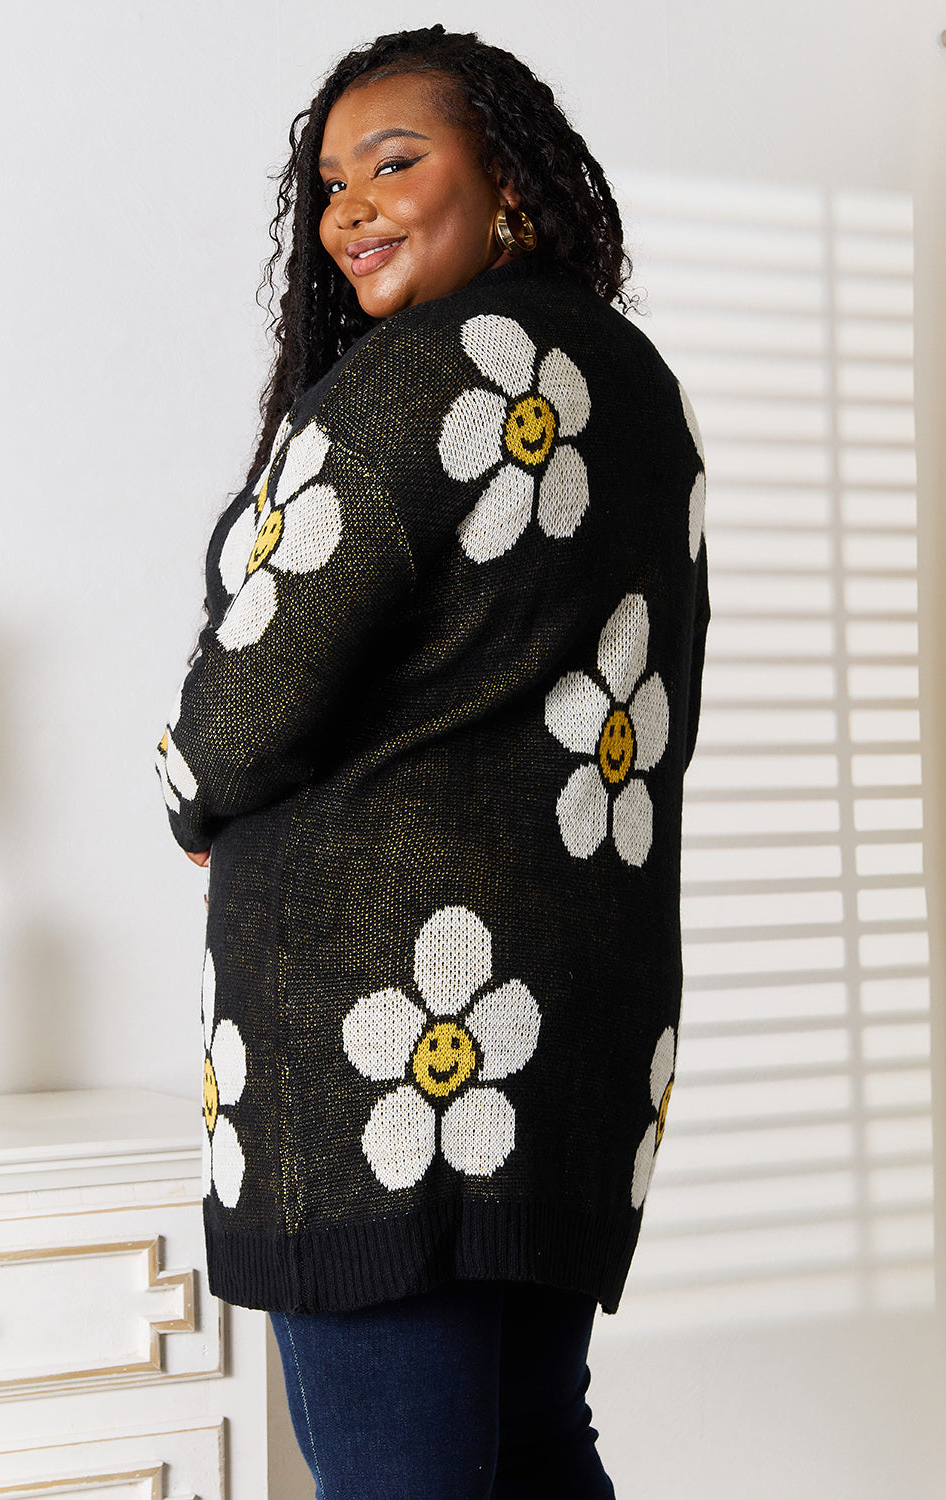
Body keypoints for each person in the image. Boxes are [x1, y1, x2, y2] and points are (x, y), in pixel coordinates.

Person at [155, 23, 709, 1500]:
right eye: (331, 182)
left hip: (380, 1064)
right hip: (570, 1037)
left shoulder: (422, 375)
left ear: (507, 180)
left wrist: (193, 797)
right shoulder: (638, 390)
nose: (352, 208)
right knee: (535, 1453)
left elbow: (237, 715)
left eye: (397, 161)